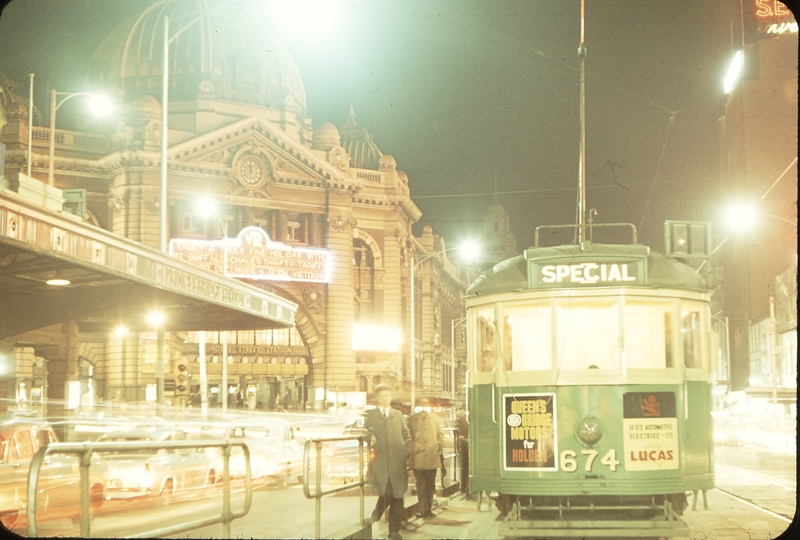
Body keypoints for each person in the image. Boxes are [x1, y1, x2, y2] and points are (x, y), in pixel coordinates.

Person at [364, 385, 411, 540]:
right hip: (381, 463)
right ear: (376, 398)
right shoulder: (371, 415)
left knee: (398, 496)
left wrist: (406, 450)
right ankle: (375, 516)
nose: (384, 398)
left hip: (398, 463)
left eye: (387, 395)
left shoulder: (398, 415)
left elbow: (406, 435)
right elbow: (365, 431)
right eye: (381, 396)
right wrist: (369, 435)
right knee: (389, 493)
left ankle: (393, 531)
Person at [407, 397, 444, 519]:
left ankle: (428, 509)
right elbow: (408, 436)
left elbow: (440, 434)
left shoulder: (434, 419)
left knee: (430, 484)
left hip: (432, 457)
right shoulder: (411, 420)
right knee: (421, 485)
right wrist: (415, 446)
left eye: (425, 403)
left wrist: (437, 445)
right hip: (418, 458)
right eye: (421, 403)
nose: (423, 405)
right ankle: (423, 510)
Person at [455, 405, 471, 498]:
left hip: (464, 446)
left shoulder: (461, 420)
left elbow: (459, 434)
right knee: (468, 467)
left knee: (464, 468)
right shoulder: (473, 419)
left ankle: (463, 486)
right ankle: (469, 486)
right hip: (470, 446)